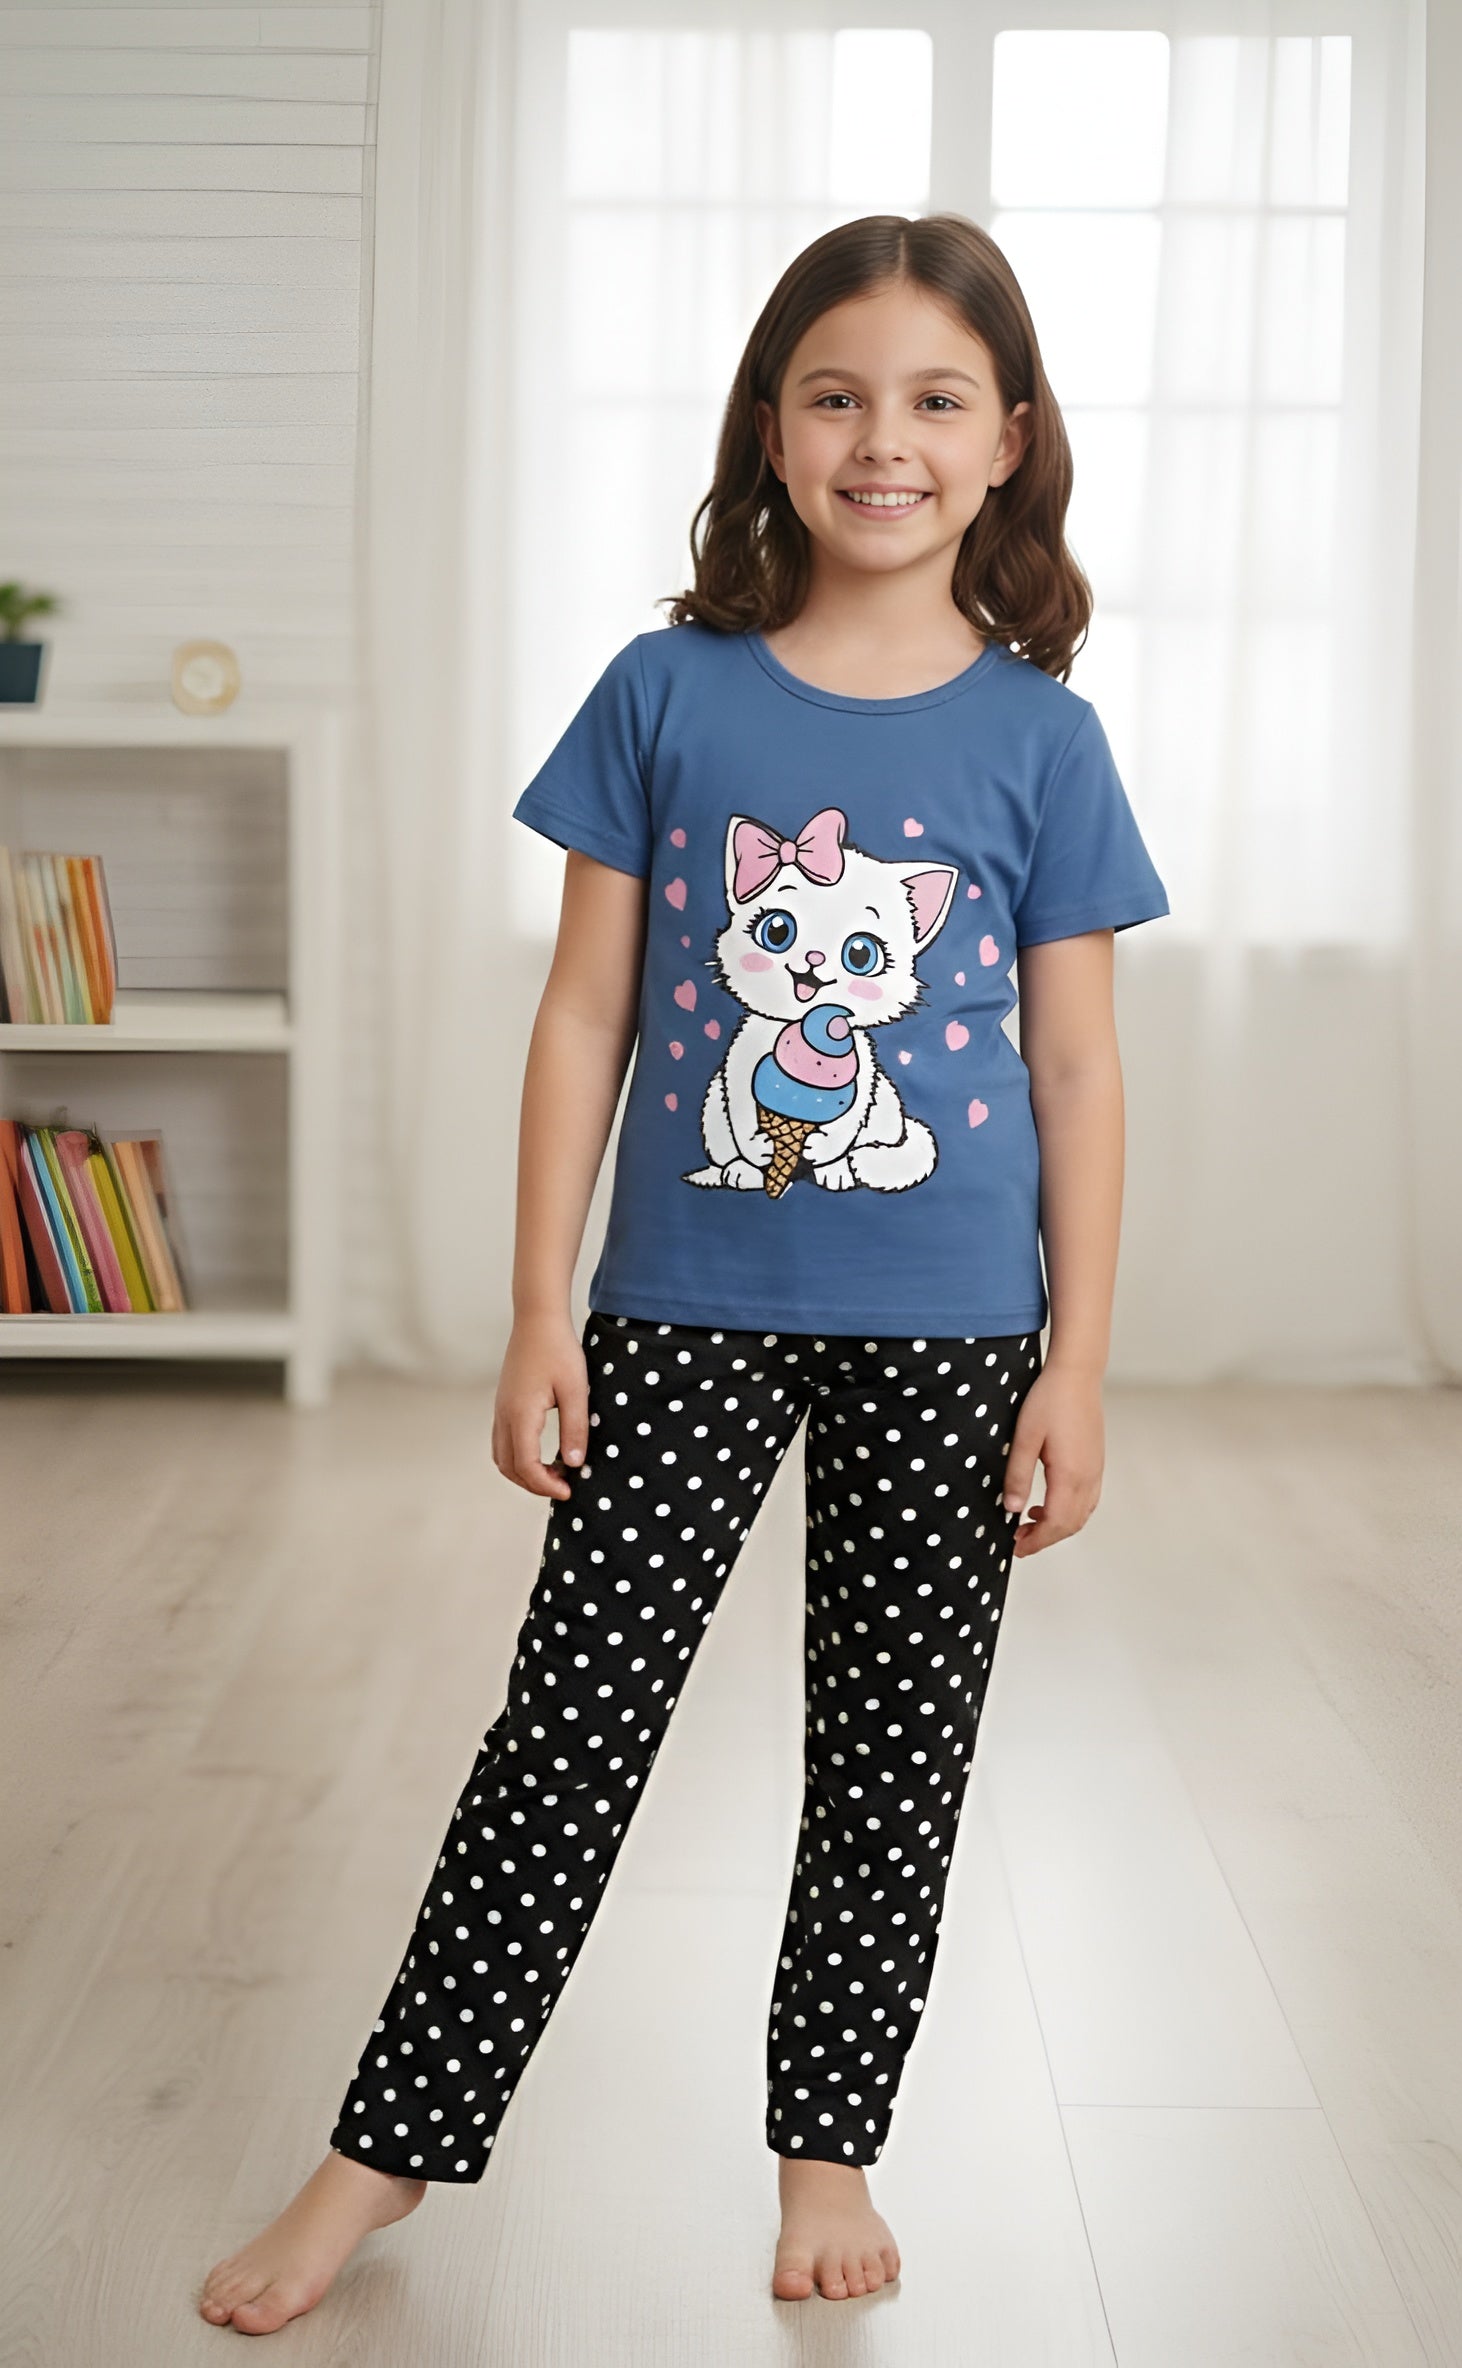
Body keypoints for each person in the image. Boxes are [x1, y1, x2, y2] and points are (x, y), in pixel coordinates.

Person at [199, 209, 1169, 2335]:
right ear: (768, 425)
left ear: (1007, 441)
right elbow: (582, 1018)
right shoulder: (663, 693)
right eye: (835, 396)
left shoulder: (1044, 740)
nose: (882, 440)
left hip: (956, 1334)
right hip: (676, 1310)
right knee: (564, 1734)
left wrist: (1078, 1361)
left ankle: (826, 2151)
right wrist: (535, 1306)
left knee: (889, 1759)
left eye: (933, 400)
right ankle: (385, 2149)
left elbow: (1077, 1070)